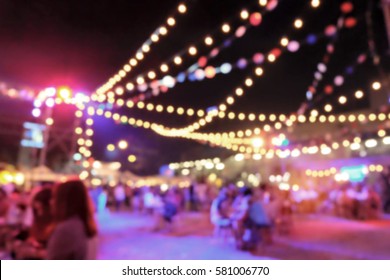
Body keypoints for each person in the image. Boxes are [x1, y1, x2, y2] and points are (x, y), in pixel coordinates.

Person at [47, 180, 98, 260]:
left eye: (54, 197)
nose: (51, 202)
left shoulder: (66, 229)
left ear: (63, 201)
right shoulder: (84, 225)